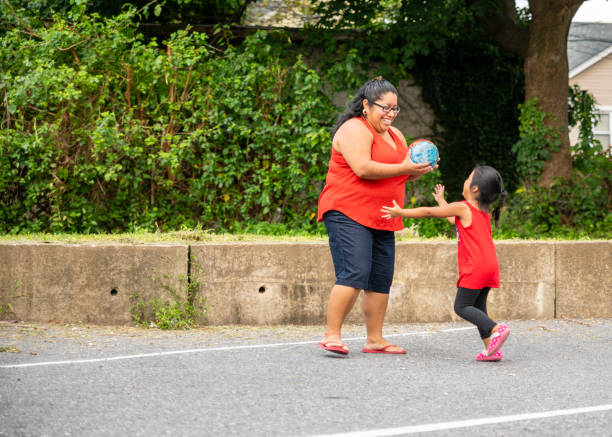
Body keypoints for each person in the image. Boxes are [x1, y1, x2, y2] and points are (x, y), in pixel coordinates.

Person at [317, 77, 435, 356]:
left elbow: (400, 169)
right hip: (348, 211)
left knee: (381, 278)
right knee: (354, 272)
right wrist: (405, 167)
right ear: (367, 105)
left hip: (383, 213)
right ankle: (331, 335)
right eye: (385, 108)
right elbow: (362, 168)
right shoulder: (354, 129)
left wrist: (415, 169)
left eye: (395, 110)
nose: (391, 115)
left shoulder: (397, 136)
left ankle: (375, 340)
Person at [381, 165, 510, 361]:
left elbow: (428, 213)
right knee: (479, 307)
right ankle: (491, 349)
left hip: (475, 267)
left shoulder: (464, 207)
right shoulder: (481, 211)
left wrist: (401, 212)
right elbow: (452, 219)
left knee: (462, 306)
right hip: (490, 266)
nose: (465, 181)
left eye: (468, 178)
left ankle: (496, 329)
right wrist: (441, 200)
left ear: (475, 189)